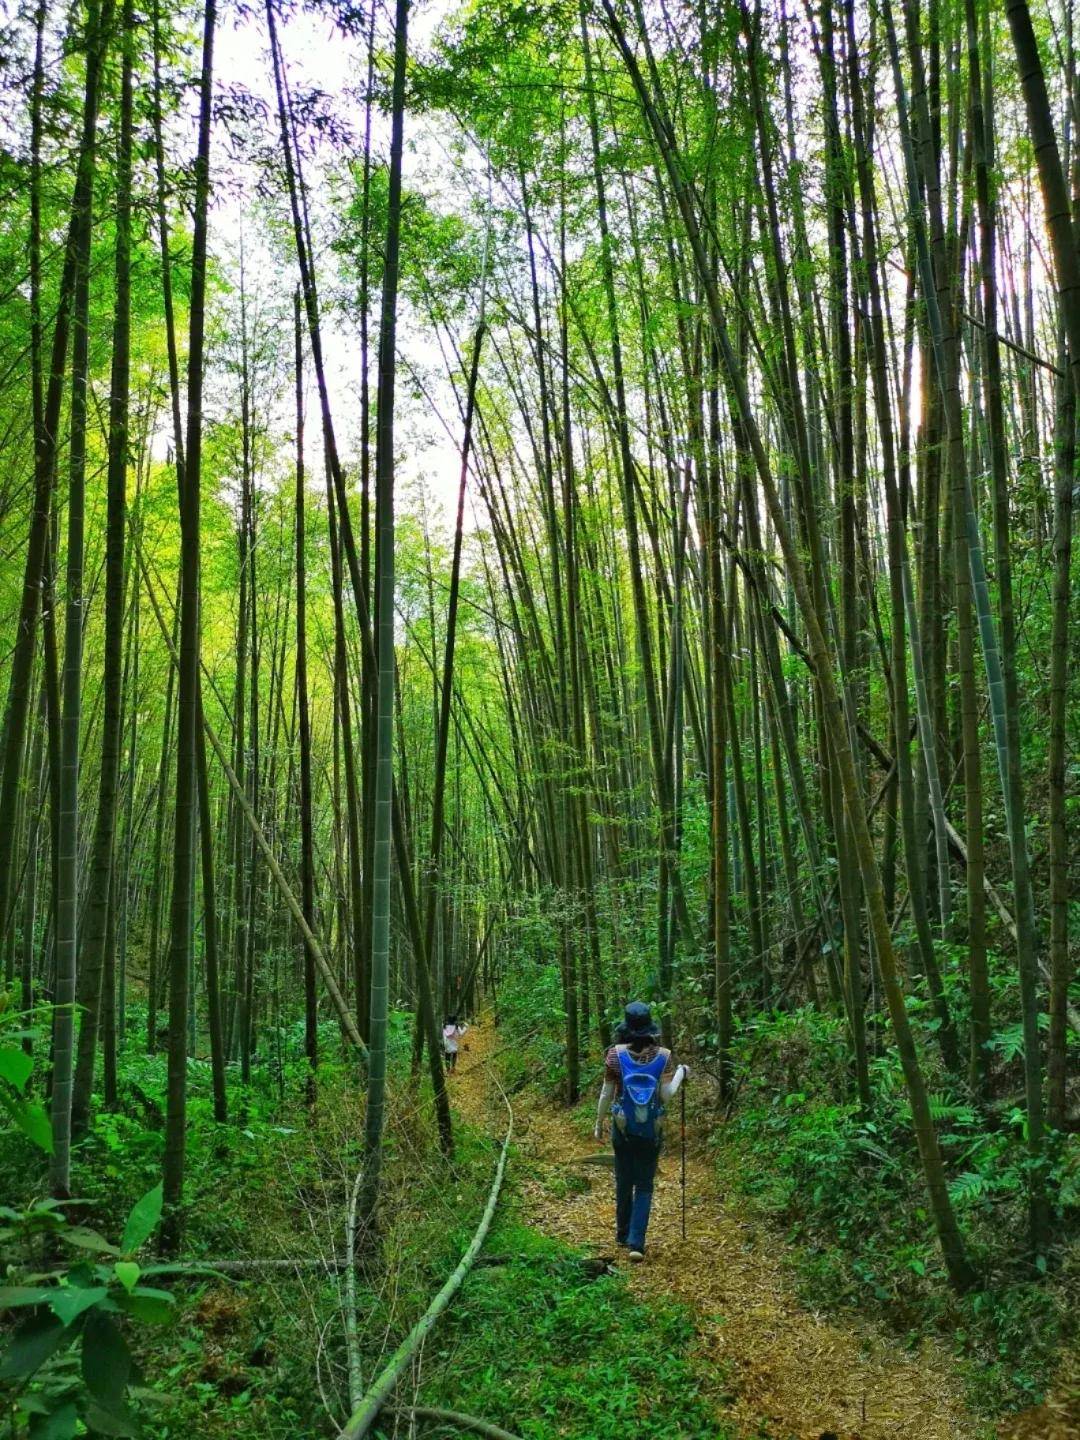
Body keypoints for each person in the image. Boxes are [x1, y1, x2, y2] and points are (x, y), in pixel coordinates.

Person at [593, 1001, 688, 1262]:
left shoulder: (614, 1055)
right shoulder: (663, 1057)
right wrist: (681, 1073)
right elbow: (666, 1096)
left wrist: (598, 1123)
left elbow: (606, 1094)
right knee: (644, 1184)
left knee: (624, 1179)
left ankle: (622, 1233)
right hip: (651, 1130)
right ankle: (637, 1242)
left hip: (622, 1127)